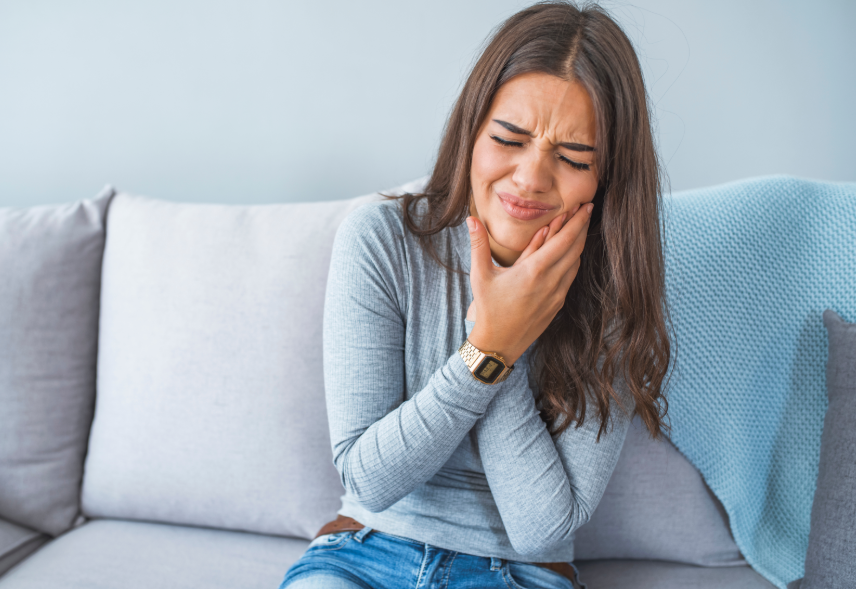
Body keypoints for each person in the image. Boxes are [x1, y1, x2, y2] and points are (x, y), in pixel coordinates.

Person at [279, 1, 673, 587]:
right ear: (472, 132)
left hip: (522, 573)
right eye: (510, 139)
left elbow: (543, 528)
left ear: (606, 178)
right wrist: (488, 346)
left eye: (571, 158)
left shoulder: (612, 290)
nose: (530, 178)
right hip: (364, 552)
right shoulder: (381, 242)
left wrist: (504, 344)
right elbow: (369, 480)